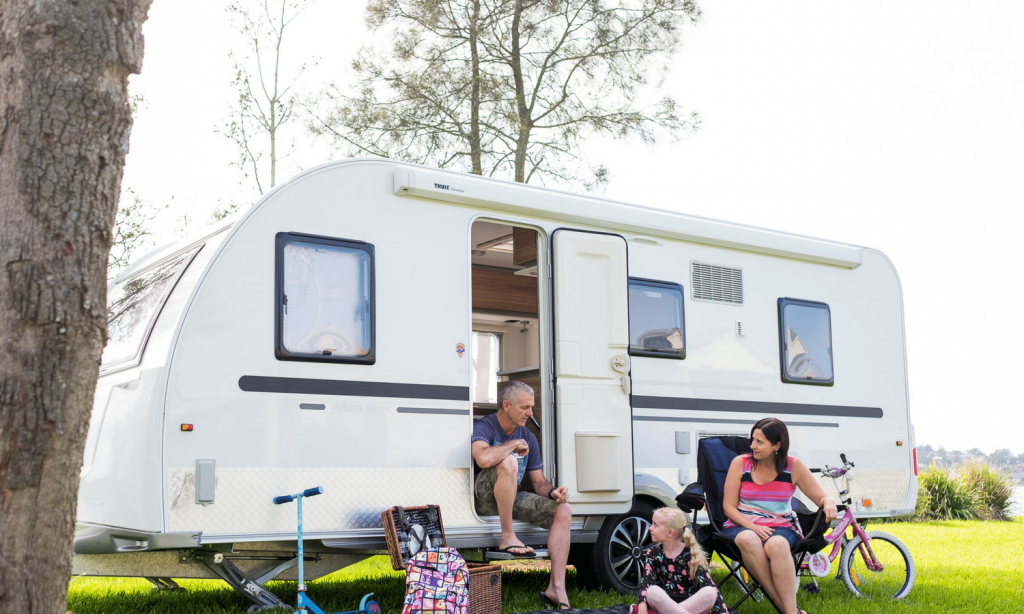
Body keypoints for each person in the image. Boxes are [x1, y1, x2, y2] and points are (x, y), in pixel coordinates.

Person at [471, 381, 573, 610]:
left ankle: (556, 588)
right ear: (506, 405)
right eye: (525, 407)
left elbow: (538, 483)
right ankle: (508, 537)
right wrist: (513, 444)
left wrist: (552, 491)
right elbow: (483, 459)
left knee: (564, 510)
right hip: (485, 498)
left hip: (512, 497)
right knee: (507, 460)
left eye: (531, 407)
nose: (530, 413)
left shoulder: (528, 435)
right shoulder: (485, 426)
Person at [721, 417, 838, 614]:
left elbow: (821, 497)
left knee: (777, 544)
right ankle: (788, 609)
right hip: (740, 525)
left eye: (759, 442)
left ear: (777, 445)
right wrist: (754, 527)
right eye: (752, 440)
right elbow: (728, 508)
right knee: (749, 539)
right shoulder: (740, 463)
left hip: (780, 527)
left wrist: (829, 501)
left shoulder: (794, 467)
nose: (752, 446)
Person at [634, 507, 728, 614]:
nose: (650, 528)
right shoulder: (653, 553)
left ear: (670, 533)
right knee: (652, 592)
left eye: (655, 525)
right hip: (664, 604)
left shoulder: (690, 553)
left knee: (710, 592)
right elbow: (645, 585)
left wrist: (723, 611)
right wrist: (641, 610)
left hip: (689, 603)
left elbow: (709, 584)